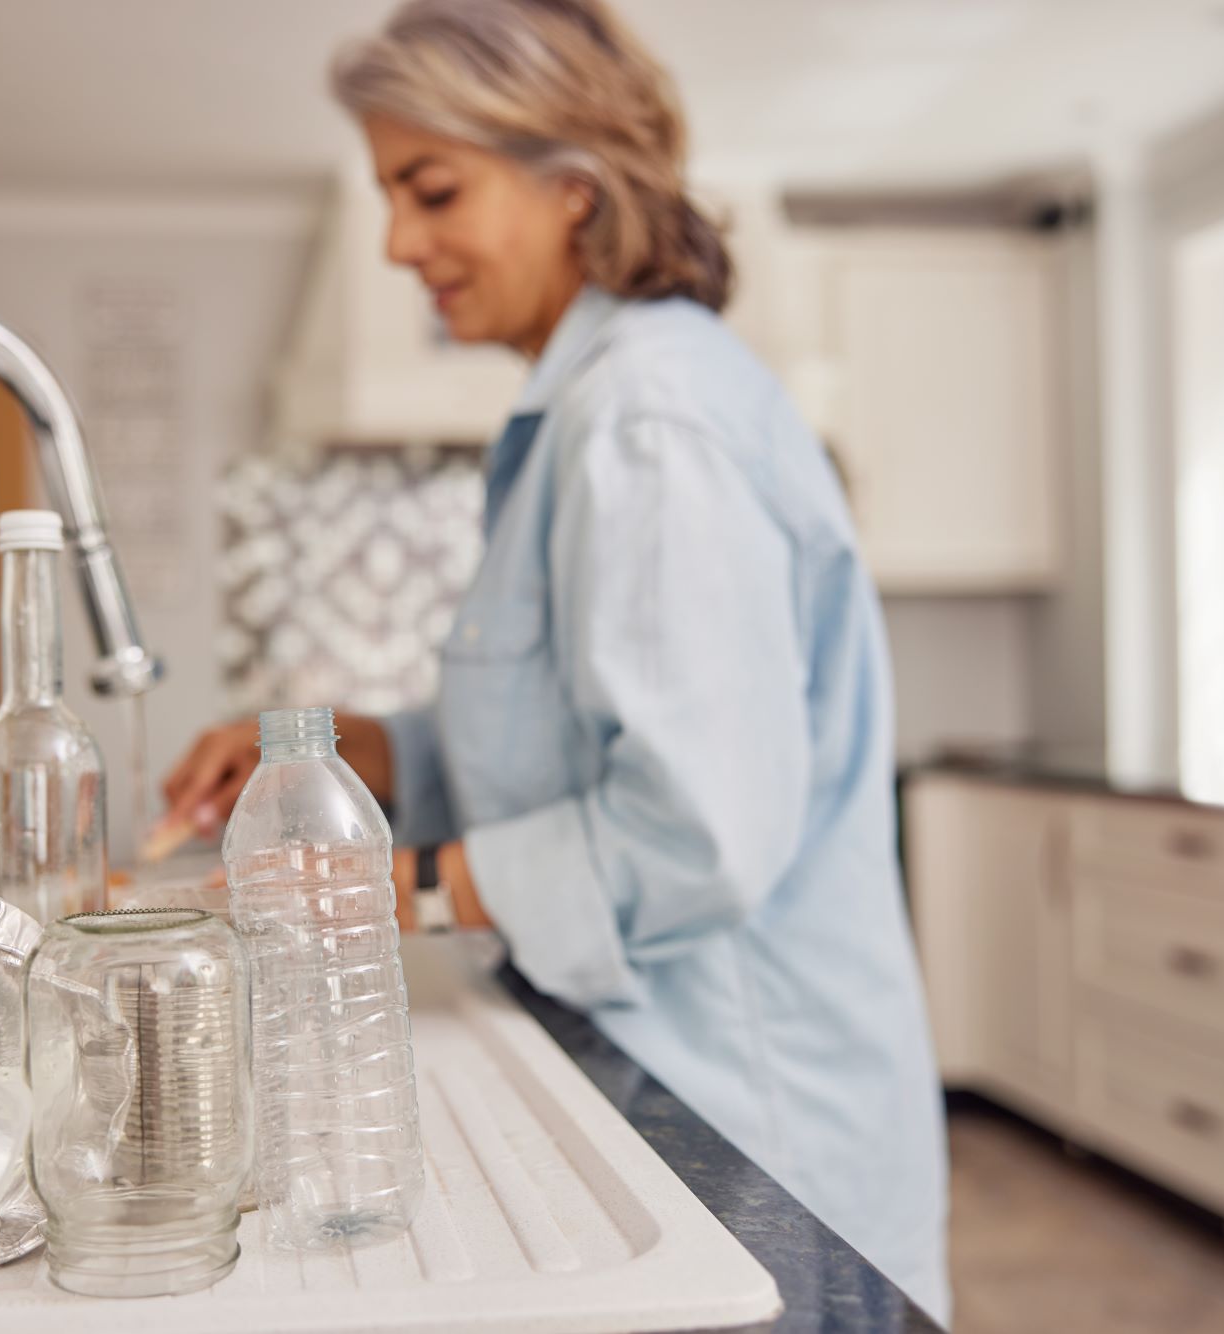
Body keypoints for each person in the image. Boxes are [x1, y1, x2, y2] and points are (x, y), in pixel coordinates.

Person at [162, 0, 950, 1318]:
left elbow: (696, 827)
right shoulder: (593, 409)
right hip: (689, 1094)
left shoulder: (649, 418)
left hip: (759, 1136)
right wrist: (354, 747)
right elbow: (560, 739)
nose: (401, 243)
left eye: (431, 190)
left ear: (573, 188)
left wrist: (389, 888)